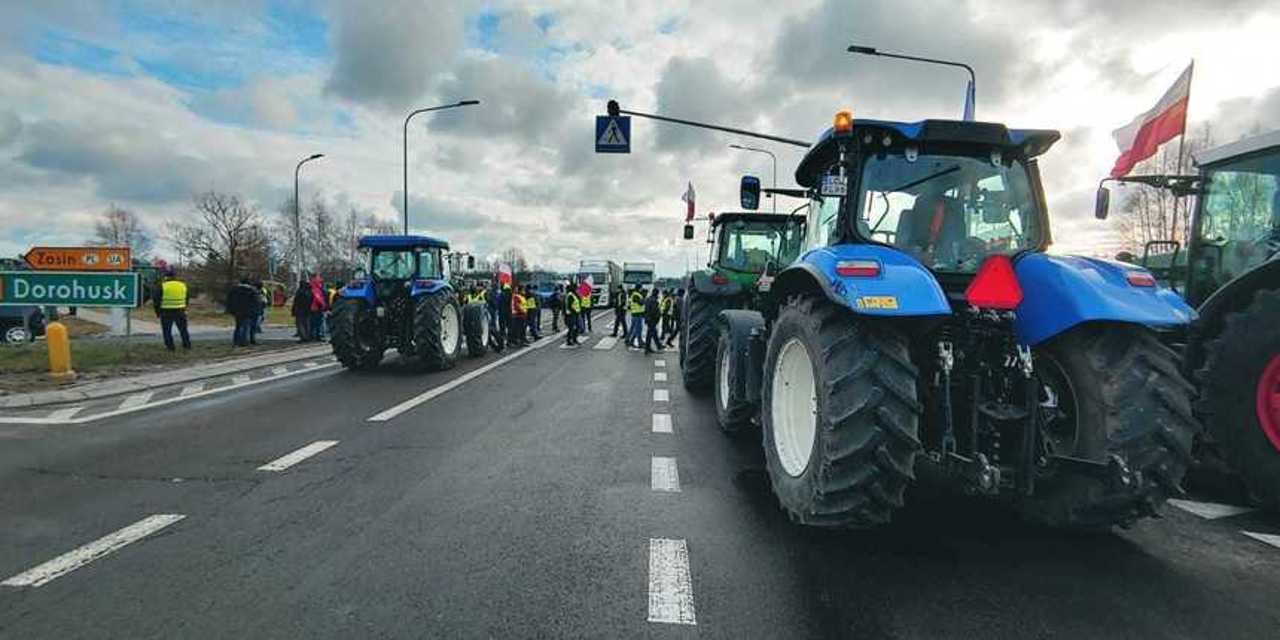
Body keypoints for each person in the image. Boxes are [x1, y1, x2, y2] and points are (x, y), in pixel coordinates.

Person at [154, 269, 191, 351]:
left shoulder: (162, 286)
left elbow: (156, 300)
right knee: (183, 329)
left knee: (167, 331)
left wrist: (157, 312)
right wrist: (184, 307)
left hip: (166, 311)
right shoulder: (183, 285)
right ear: (175, 276)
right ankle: (187, 345)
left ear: (166, 277)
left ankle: (170, 347)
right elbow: (187, 298)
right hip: (180, 310)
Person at [226, 277, 259, 347]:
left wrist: (230, 310)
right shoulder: (252, 290)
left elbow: (229, 300)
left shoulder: (233, 290)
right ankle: (244, 342)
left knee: (238, 326)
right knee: (245, 326)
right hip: (247, 311)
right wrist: (255, 310)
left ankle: (236, 341)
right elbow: (256, 301)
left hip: (236, 311)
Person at [644, 286, 664, 354]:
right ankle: (647, 349)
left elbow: (646, 310)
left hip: (648, 319)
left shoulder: (648, 299)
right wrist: (658, 317)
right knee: (650, 334)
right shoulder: (654, 301)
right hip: (652, 319)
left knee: (653, 333)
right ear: (657, 294)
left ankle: (658, 346)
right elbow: (654, 311)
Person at [308, 274, 328, 342]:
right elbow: (318, 298)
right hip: (316, 308)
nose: (321, 279)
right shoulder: (316, 288)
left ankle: (313, 335)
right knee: (318, 322)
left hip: (314, 307)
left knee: (314, 322)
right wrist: (324, 305)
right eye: (319, 277)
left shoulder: (313, 286)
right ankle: (317, 336)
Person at [626, 285, 646, 350]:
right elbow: (641, 303)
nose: (642, 289)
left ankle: (629, 340)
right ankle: (639, 343)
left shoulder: (635, 294)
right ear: (639, 289)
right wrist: (644, 299)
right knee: (638, 329)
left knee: (633, 328)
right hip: (637, 314)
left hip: (635, 314)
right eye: (641, 288)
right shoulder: (636, 295)